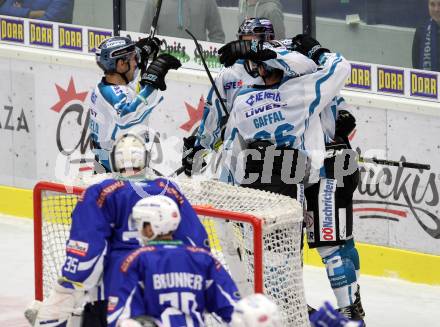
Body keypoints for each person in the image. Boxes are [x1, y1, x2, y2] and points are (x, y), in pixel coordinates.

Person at [26, 132, 210, 327]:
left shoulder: (101, 192)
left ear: (115, 161)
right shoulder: (169, 189)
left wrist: (63, 295)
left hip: (114, 298)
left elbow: (86, 252)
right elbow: (197, 244)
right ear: (145, 159)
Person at [182, 17, 317, 179]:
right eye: (244, 42)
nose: (246, 48)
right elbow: (213, 113)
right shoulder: (230, 74)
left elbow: (310, 68)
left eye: (252, 42)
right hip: (244, 151)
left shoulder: (286, 68)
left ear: (269, 40)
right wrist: (201, 147)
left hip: (285, 151)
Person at [107, 195, 240, 327]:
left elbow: (119, 316)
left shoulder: (135, 260)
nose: (139, 230)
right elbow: (234, 310)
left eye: (141, 224)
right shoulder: (204, 258)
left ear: (150, 227)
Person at [89, 35, 181, 172]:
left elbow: (129, 85)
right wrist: (151, 84)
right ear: (121, 64)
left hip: (110, 166)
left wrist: (141, 52)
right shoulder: (113, 94)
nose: (136, 63)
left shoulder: (105, 87)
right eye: (133, 59)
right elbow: (127, 115)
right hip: (117, 175)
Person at [140, 0, 225, 43]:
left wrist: (210, 61)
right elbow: (144, 34)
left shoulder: (207, 1)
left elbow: (217, 35)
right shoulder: (155, 1)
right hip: (162, 64)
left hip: (197, 66)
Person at [412, 0, 440, 72]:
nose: (437, 9)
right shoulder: (421, 31)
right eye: (432, 4)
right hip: (429, 82)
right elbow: (416, 66)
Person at [0, 0, 74, 23]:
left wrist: (18, 11)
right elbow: (3, 9)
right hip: (16, 43)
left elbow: (48, 20)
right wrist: (30, 14)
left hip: (50, 48)